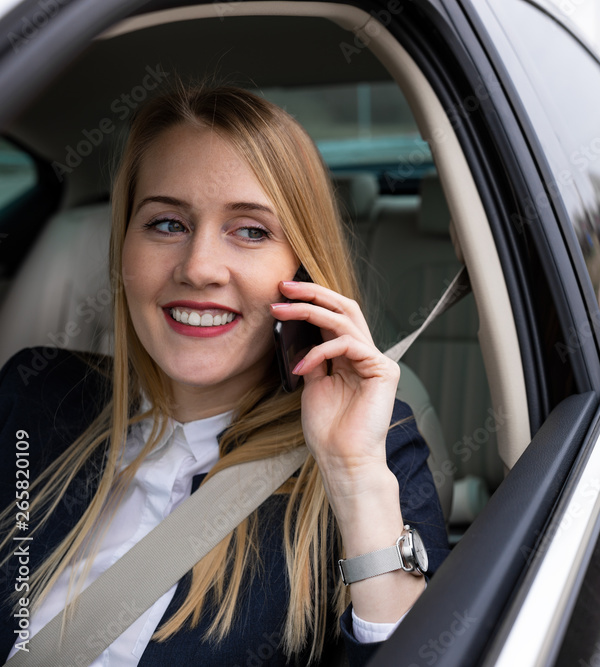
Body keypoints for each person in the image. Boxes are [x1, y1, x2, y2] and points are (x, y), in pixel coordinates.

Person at [0, 83, 448, 666]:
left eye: (252, 230)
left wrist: (354, 476)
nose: (199, 268)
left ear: (303, 271)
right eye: (166, 224)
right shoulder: (34, 392)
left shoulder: (374, 447)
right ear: (124, 249)